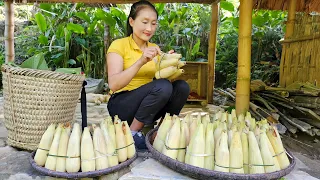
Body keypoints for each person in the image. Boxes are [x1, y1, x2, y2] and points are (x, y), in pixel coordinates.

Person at [106, 0, 190, 150]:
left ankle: (161, 131)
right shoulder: (119, 45)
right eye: (144, 22)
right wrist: (141, 61)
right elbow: (114, 84)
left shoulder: (154, 48)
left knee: (181, 87)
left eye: (153, 23)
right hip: (122, 105)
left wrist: (169, 62)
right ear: (131, 21)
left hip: (147, 106)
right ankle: (132, 133)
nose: (149, 28)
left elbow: (161, 80)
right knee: (162, 86)